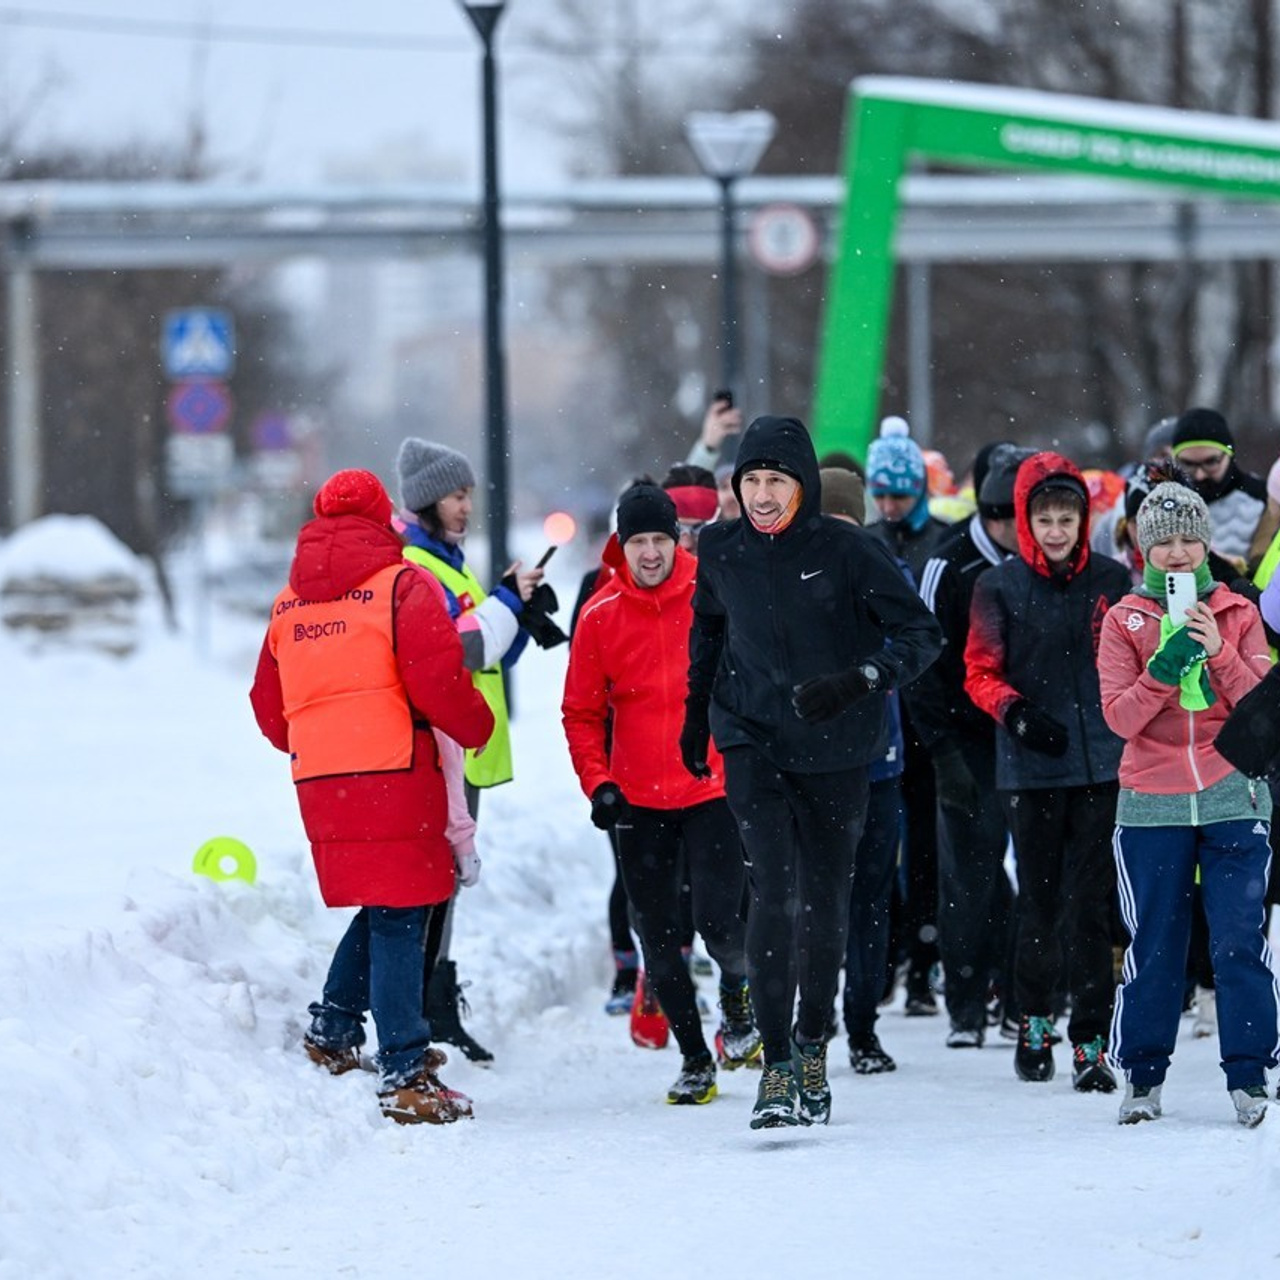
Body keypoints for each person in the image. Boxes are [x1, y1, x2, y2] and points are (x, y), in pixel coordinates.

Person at [682, 415, 942, 1129]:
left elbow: (923, 635)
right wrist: (695, 715)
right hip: (751, 735)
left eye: (777, 480)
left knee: (825, 900)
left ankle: (811, 1045)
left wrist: (860, 680)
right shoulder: (722, 549)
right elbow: (708, 630)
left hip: (837, 743)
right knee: (773, 890)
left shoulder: (848, 550)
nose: (763, 495)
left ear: (802, 484)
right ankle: (773, 1066)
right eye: (752, 480)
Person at [249, 469, 494, 1124]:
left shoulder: (287, 604)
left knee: (386, 903)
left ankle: (332, 1030)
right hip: (394, 770)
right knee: (401, 912)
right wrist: (479, 725)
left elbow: (269, 711)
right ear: (383, 519)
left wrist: (326, 743)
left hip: (321, 780)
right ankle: (405, 1072)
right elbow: (439, 682)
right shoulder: (400, 587)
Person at [562, 482, 762, 1105]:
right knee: (658, 935)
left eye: (660, 539)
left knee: (718, 923)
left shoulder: (717, 596)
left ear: (678, 539)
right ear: (621, 546)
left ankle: (737, 987)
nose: (651, 553)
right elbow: (580, 713)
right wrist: (599, 785)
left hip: (710, 787)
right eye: (638, 541)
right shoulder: (600, 615)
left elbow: (756, 681)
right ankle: (696, 1058)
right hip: (638, 799)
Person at [1098, 481, 1277, 1126]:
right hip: (1152, 802)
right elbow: (1119, 718)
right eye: (1163, 541)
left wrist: (1219, 651)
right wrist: (1165, 666)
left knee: (1238, 939)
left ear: (1205, 542)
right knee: (1156, 944)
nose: (1177, 553)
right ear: (1144, 548)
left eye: (1187, 538)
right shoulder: (1124, 620)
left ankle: (1251, 1074)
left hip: (1234, 792)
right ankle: (1143, 1078)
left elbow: (1261, 705)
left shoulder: (1236, 610)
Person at [964, 451, 1131, 1089]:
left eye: (1067, 518)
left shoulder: (1111, 581)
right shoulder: (998, 586)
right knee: (1038, 902)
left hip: (1101, 765)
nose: (1056, 530)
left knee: (1092, 905)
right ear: (1026, 522)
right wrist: (1019, 715)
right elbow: (979, 671)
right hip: (1031, 767)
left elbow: (1132, 660)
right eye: (1045, 518)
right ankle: (1033, 1019)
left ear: (1083, 520)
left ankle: (1090, 1039)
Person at [394, 437, 555, 1065]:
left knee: (448, 885)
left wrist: (519, 609)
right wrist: (507, 603)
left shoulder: (449, 562)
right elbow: (460, 650)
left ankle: (434, 1004)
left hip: (468, 748)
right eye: (458, 496)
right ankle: (423, 1010)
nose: (467, 507)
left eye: (468, 495)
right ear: (429, 499)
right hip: (444, 749)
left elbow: (484, 650)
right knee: (435, 883)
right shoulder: (420, 567)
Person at [906, 445, 1029, 1049]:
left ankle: (1022, 993)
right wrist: (942, 752)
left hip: (1029, 734)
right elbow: (923, 667)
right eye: (1001, 513)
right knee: (970, 872)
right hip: (965, 735)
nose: (1014, 526)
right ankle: (965, 1003)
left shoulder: (1040, 554)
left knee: (1035, 872)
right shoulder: (948, 563)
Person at [866, 415, 952, 1016]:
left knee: (925, 845)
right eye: (883, 495)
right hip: (880, 715)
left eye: (901, 494)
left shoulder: (942, 540)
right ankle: (890, 954)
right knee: (877, 845)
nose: (891, 506)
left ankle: (924, 961)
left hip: (933, 714)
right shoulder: (867, 540)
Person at [821, 465, 905, 1074]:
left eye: (847, 521)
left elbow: (915, 649)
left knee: (870, 901)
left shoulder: (884, 571)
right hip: (812, 768)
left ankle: (863, 1027)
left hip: (878, 762)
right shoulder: (791, 576)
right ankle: (814, 1018)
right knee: (814, 900)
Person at [1170, 407, 1267, 568]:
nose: (1200, 475)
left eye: (1210, 462)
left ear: (1229, 454)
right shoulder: (1164, 502)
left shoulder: (1263, 496)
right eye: (1188, 465)